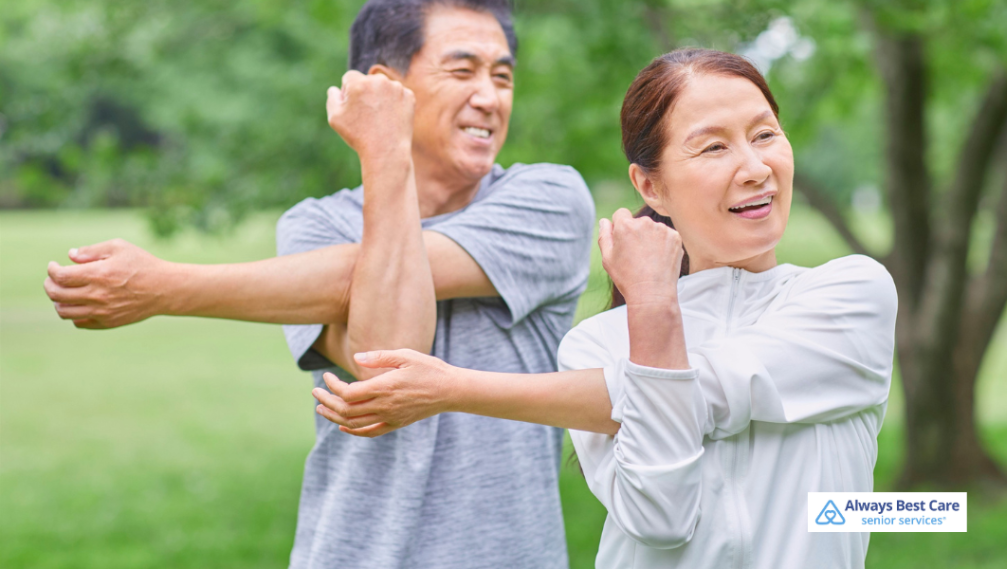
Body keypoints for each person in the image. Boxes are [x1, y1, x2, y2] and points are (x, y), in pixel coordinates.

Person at [44, 1, 593, 568]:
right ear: (384, 87)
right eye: (463, 70)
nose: (490, 97)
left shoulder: (550, 201)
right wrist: (386, 150)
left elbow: (364, 300)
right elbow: (385, 358)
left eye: (502, 76)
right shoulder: (316, 224)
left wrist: (164, 286)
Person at [309, 48, 898, 569]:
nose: (755, 167)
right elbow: (661, 518)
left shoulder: (851, 294)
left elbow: (718, 386)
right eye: (715, 146)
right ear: (651, 187)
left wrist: (455, 388)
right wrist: (652, 308)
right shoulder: (598, 345)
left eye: (765, 134)